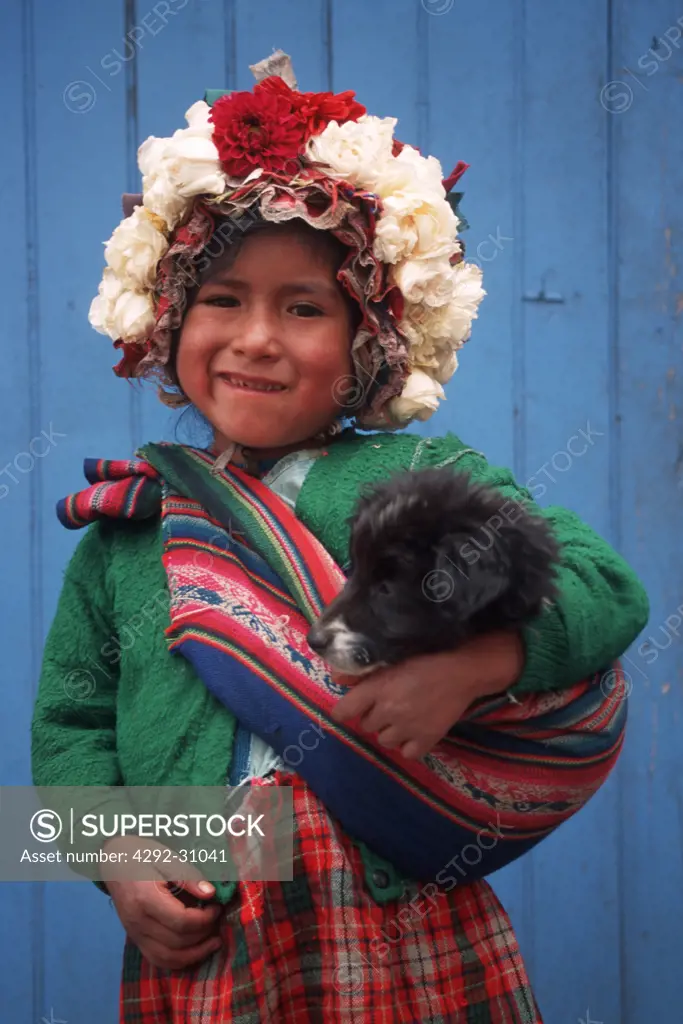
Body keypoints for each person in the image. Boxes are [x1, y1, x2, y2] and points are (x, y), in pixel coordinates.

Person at [31, 51, 649, 1023]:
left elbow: (607, 585)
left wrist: (478, 664)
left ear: (368, 343)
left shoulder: (419, 481)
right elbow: (67, 735)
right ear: (168, 316)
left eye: (304, 308)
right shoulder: (125, 539)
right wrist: (118, 865)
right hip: (211, 936)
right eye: (222, 298)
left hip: (400, 921)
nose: (257, 338)